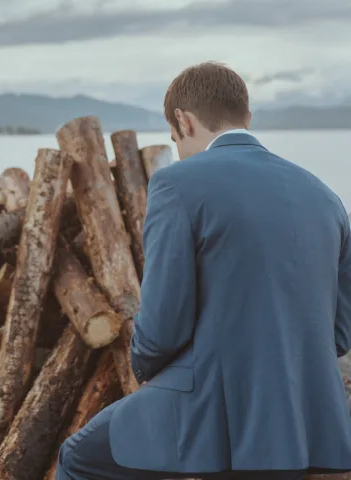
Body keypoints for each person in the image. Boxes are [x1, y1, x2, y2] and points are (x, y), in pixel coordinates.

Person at [57, 62, 351, 479]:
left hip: (211, 407)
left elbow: (162, 325)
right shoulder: (325, 196)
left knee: (79, 457)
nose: (178, 148)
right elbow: (340, 332)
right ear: (246, 116)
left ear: (183, 121)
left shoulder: (178, 184)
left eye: (175, 139)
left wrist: (146, 372)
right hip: (312, 418)